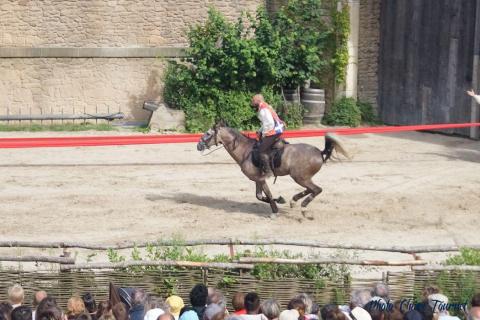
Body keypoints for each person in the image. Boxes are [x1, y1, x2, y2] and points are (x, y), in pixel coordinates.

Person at [251, 94, 285, 175]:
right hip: (276, 128)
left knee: (260, 150)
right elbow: (265, 122)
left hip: (274, 130)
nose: (252, 102)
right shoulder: (265, 106)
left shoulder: (263, 109)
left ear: (258, 100)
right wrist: (260, 131)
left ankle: (268, 171)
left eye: (253, 100)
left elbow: (269, 123)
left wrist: (264, 133)